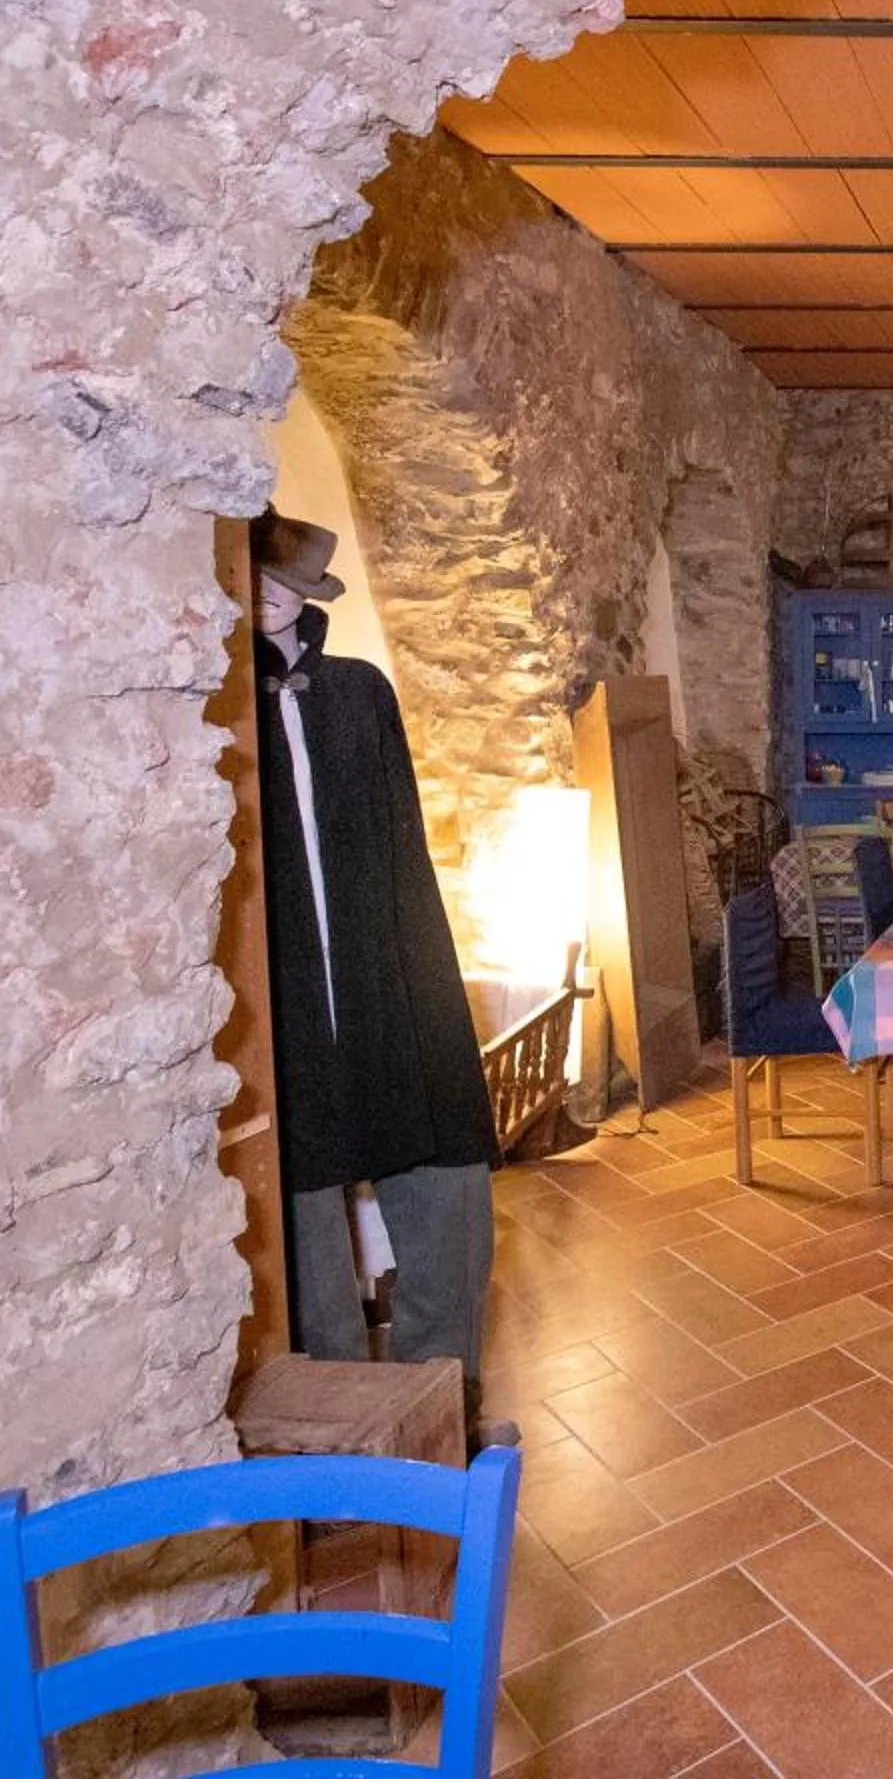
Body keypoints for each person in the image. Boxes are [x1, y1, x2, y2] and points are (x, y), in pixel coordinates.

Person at [247, 509, 509, 1443]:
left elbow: (398, 842)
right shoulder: (215, 706)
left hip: (376, 959)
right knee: (304, 1202)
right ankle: (328, 1428)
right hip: (280, 991)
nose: (272, 597)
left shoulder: (358, 693)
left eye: (290, 586)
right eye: (260, 580)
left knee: (442, 1168)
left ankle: (442, 1394)